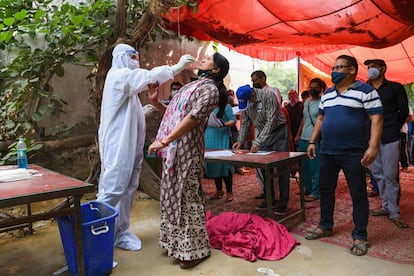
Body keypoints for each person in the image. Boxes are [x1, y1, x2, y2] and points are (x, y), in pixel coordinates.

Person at [97, 42, 194, 251]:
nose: (136, 61)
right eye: (132, 57)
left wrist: (152, 105)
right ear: (122, 57)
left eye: (136, 57)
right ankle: (98, 235)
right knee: (113, 189)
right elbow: (146, 77)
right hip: (118, 145)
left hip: (129, 146)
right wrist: (175, 68)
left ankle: (120, 232)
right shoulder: (118, 76)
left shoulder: (129, 89)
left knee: (129, 187)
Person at [147, 52, 230, 269]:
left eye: (208, 60)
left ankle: (195, 251)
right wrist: (155, 102)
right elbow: (174, 116)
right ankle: (177, 245)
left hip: (188, 152)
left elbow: (192, 119)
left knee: (188, 198)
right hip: (173, 151)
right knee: (171, 197)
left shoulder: (210, 90)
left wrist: (164, 141)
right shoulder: (190, 87)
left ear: (216, 70)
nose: (202, 60)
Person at [305, 55, 383, 257]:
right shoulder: (328, 93)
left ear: (351, 70)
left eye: (340, 67)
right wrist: (313, 141)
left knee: (358, 193)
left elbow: (376, 118)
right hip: (328, 151)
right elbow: (321, 118)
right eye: (334, 67)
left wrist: (373, 147)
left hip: (354, 152)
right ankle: (325, 225)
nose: (334, 70)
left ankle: (360, 235)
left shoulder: (366, 91)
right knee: (326, 190)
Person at [364, 58, 410, 229]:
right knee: (377, 173)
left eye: (373, 67)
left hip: (390, 136)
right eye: (368, 67)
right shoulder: (365, 88)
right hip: (371, 139)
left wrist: (393, 128)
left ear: (382, 69)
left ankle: (394, 212)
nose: (370, 70)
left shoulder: (395, 88)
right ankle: (385, 206)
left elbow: (403, 110)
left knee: (391, 175)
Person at [233, 84, 290, 215]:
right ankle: (269, 199)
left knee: (282, 167)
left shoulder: (268, 96)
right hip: (263, 132)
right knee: (265, 168)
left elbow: (271, 121)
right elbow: (246, 121)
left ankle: (283, 202)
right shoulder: (246, 100)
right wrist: (240, 140)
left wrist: (258, 141)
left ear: (253, 95)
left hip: (278, 132)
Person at [295, 78, 326, 202]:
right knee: (304, 166)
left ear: (321, 89)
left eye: (316, 87)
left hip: (315, 138)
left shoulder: (323, 102)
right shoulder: (307, 102)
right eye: (311, 86)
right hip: (303, 137)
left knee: (315, 166)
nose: (312, 89)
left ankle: (316, 192)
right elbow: (304, 119)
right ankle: (306, 188)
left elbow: (322, 120)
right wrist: (298, 134)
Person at [205, 100, 236, 202]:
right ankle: (219, 190)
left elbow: (232, 121)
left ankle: (229, 192)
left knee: (224, 164)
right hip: (209, 135)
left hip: (221, 136)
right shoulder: (207, 106)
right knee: (213, 164)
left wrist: (223, 124)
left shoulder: (226, 106)